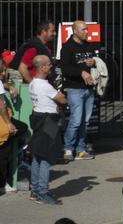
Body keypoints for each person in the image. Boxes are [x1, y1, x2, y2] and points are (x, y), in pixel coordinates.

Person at [58, 18, 101, 160]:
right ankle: (68, 149)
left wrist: (93, 61)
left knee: (85, 121)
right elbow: (65, 69)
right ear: (75, 31)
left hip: (88, 88)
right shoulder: (67, 47)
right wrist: (81, 72)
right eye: (83, 29)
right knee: (76, 120)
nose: (86, 32)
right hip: (74, 89)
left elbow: (98, 62)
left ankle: (81, 149)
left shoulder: (89, 46)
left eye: (86, 29)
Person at [26, 55, 65, 205]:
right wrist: (60, 92)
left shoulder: (33, 83)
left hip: (38, 119)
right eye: (49, 64)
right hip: (48, 122)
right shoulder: (45, 86)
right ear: (42, 67)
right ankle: (42, 192)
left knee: (37, 156)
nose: (51, 66)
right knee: (47, 158)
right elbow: (62, 99)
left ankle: (35, 190)